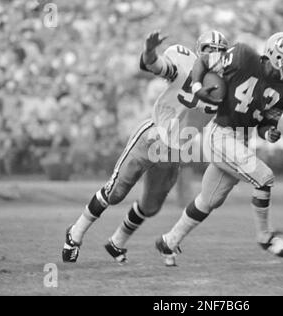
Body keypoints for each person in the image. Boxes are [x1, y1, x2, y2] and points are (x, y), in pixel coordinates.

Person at [62, 30, 229, 264]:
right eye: (210, 50)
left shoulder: (227, 86)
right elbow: (155, 65)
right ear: (199, 50)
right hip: (151, 136)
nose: (215, 56)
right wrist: (150, 50)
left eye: (220, 51)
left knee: (150, 206)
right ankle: (75, 233)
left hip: (176, 150)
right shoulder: (183, 62)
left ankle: (117, 242)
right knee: (115, 192)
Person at [156, 32, 283, 266]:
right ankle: (266, 238)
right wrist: (198, 86)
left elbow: (266, 123)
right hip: (220, 134)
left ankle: (169, 240)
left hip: (240, 141)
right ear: (278, 56)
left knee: (208, 201)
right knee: (264, 178)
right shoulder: (243, 56)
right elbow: (203, 61)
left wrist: (269, 132)